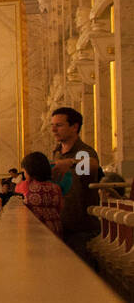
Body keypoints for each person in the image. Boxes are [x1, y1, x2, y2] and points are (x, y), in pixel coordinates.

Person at [49, 107, 103, 259]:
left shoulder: (82, 152)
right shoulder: (57, 151)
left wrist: (72, 162)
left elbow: (92, 165)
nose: (53, 130)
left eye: (59, 125)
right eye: (52, 125)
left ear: (74, 127)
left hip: (81, 229)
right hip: (61, 226)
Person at [20, 151, 65, 236]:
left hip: (38, 229)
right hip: (55, 227)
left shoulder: (28, 187)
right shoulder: (56, 187)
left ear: (29, 171)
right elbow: (60, 207)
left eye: (24, 171)